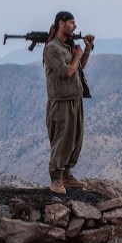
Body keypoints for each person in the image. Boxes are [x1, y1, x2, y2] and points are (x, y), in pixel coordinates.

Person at [43, 10, 95, 195]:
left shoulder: (67, 46)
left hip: (75, 98)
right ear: (61, 23)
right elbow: (66, 72)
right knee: (62, 139)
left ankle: (67, 175)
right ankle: (56, 178)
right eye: (72, 23)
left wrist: (86, 49)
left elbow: (79, 67)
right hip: (61, 101)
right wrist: (77, 56)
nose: (75, 26)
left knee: (75, 139)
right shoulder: (52, 48)